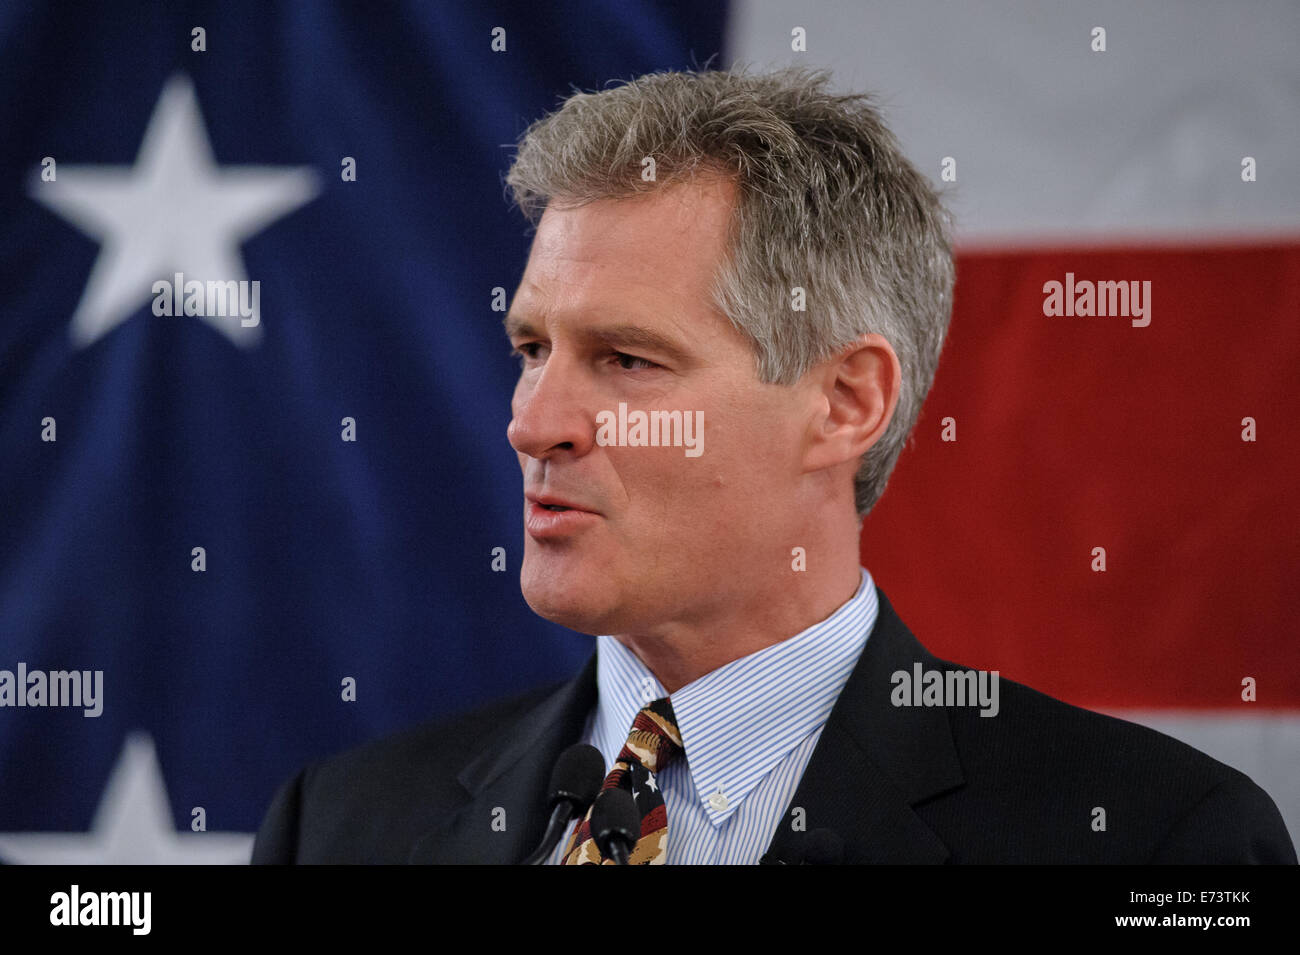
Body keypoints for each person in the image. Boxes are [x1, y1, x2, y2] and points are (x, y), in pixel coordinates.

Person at [251, 66, 1295, 864]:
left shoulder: (1155, 840)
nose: (535, 422)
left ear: (844, 403)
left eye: (625, 359)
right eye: (532, 349)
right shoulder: (339, 829)